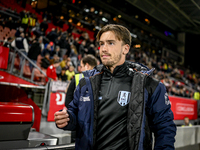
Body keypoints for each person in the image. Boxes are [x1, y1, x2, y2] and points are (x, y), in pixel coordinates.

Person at [54, 24, 176, 149]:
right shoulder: (86, 82)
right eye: (101, 44)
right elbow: (75, 114)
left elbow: (165, 128)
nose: (103, 49)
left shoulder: (149, 84)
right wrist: (67, 119)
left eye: (110, 43)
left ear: (125, 49)